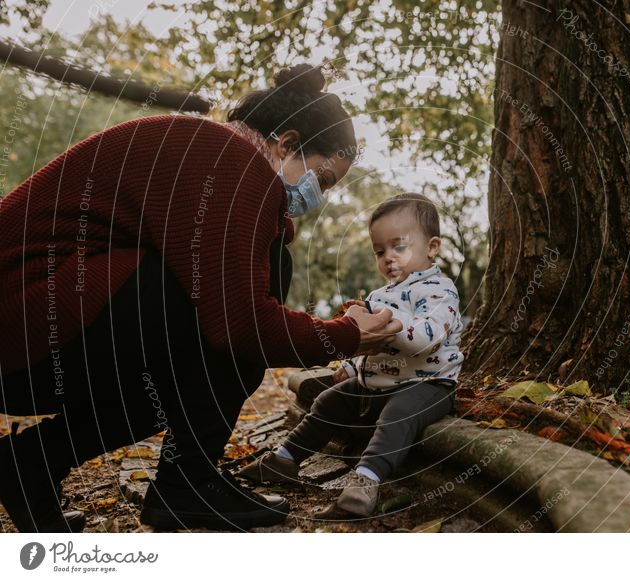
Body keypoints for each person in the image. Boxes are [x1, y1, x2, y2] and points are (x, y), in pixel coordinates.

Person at [0, 64, 401, 532]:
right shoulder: (230, 160)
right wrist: (347, 336)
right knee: (248, 300)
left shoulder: (219, 155)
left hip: (37, 335)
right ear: (287, 143)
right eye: (324, 179)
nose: (320, 196)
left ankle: (32, 463)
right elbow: (240, 324)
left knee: (239, 301)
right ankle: (186, 482)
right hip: (25, 323)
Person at [239, 193, 464, 517]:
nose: (388, 257)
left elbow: (428, 339)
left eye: (399, 246)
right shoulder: (378, 295)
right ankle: (284, 459)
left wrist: (392, 326)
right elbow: (365, 342)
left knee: (398, 416)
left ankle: (364, 483)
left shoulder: (439, 290)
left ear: (431, 247)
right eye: (379, 251)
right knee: (328, 401)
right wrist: (350, 363)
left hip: (426, 384)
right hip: (375, 381)